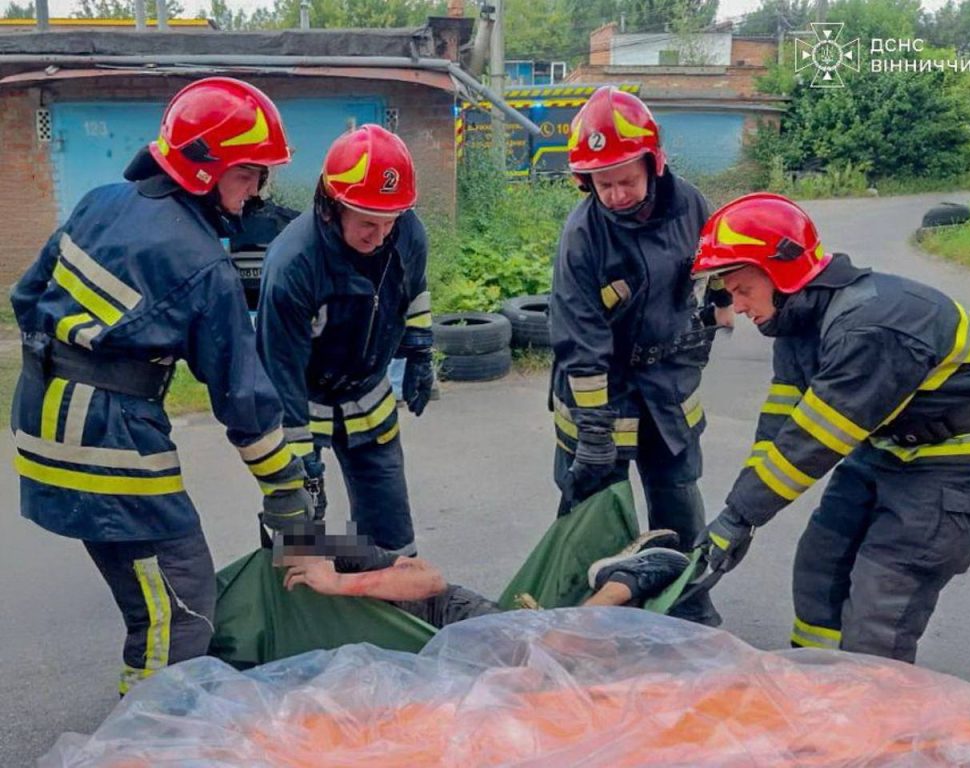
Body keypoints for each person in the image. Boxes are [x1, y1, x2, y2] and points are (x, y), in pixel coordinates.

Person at [10, 77, 313, 695]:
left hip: (41, 418)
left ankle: (153, 718)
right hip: (108, 442)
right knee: (180, 607)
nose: (256, 191)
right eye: (248, 174)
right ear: (205, 170)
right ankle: (151, 731)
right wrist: (287, 490)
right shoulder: (202, 262)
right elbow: (244, 400)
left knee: (151, 595)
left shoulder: (100, 201)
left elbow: (26, 295)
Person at [691, 192, 970, 662]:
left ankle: (872, 702)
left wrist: (741, 516)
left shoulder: (868, 328)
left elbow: (812, 444)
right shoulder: (796, 323)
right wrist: (737, 512)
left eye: (743, 289)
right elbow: (781, 428)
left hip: (963, 452)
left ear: (782, 272)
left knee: (883, 596)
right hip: (892, 441)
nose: (738, 305)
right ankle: (820, 683)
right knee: (821, 562)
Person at [547, 86, 733, 626]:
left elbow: (715, 263)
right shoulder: (582, 235)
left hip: (668, 387)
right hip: (601, 391)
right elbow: (579, 338)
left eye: (626, 180)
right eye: (602, 184)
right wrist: (594, 434)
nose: (616, 194)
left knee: (678, 501)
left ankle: (690, 610)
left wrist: (721, 303)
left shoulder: (690, 204)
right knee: (592, 510)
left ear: (654, 164)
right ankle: (582, 620)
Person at [257, 125, 433, 556]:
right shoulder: (293, 264)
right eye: (367, 222)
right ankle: (296, 589)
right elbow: (280, 371)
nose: (380, 236)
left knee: (392, 537)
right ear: (331, 207)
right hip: (304, 400)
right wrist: (297, 462)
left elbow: (414, 292)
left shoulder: (407, 232)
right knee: (298, 536)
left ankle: (387, 587)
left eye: (390, 222)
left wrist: (420, 349)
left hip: (368, 396)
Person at [280, 529, 690, 628]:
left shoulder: (331, 547)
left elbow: (430, 580)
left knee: (556, 654)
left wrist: (340, 584)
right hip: (427, 663)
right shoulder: (266, 586)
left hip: (452, 620)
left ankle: (622, 580)